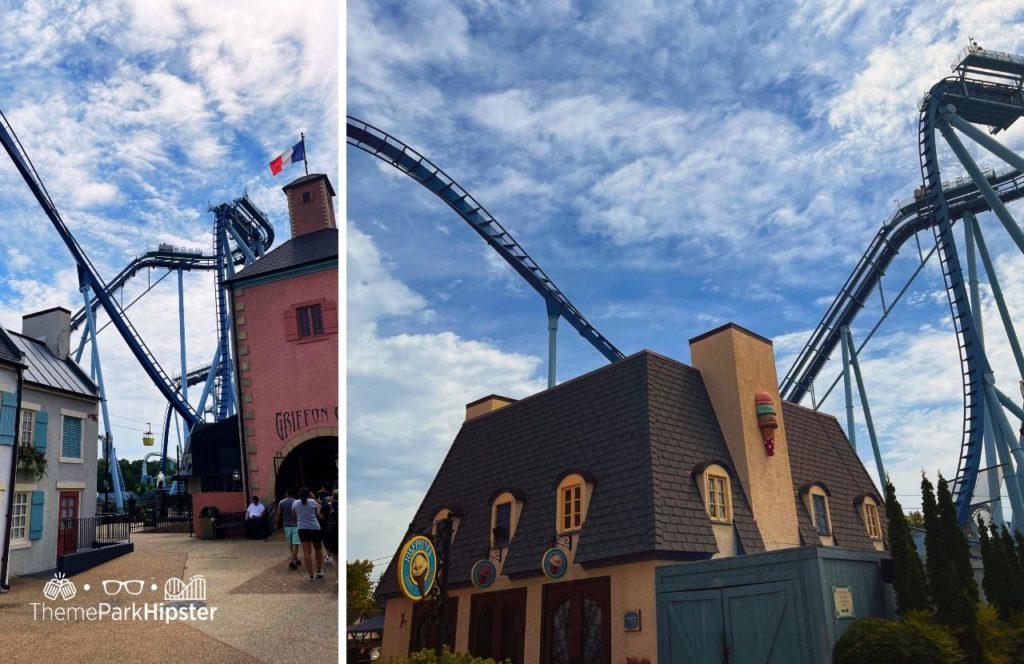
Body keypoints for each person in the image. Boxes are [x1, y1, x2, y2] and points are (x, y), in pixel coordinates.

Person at [293, 487, 324, 580]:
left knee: (307, 552)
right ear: (308, 494)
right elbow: (319, 507)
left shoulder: (295, 503)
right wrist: (313, 496)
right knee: (318, 549)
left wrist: (299, 522)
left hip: (303, 528)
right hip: (315, 528)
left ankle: (311, 575)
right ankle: (318, 570)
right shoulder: (312, 502)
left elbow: (293, 516)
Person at [276, 488, 300, 570]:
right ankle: (293, 561)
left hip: (286, 524)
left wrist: (276, 523)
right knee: (295, 543)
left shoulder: (281, 502)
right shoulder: (296, 502)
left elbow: (278, 513)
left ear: (287, 494)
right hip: (296, 524)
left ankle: (295, 559)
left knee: (291, 543)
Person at [323, 489, 339, 581]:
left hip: (332, 532)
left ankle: (338, 579)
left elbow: (320, 515)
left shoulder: (328, 506)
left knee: (335, 558)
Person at [319, 482, 334, 565]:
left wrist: (318, 507)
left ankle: (329, 556)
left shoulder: (325, 499)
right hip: (332, 523)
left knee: (326, 540)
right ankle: (331, 555)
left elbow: (321, 515)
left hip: (326, 523)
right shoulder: (332, 497)